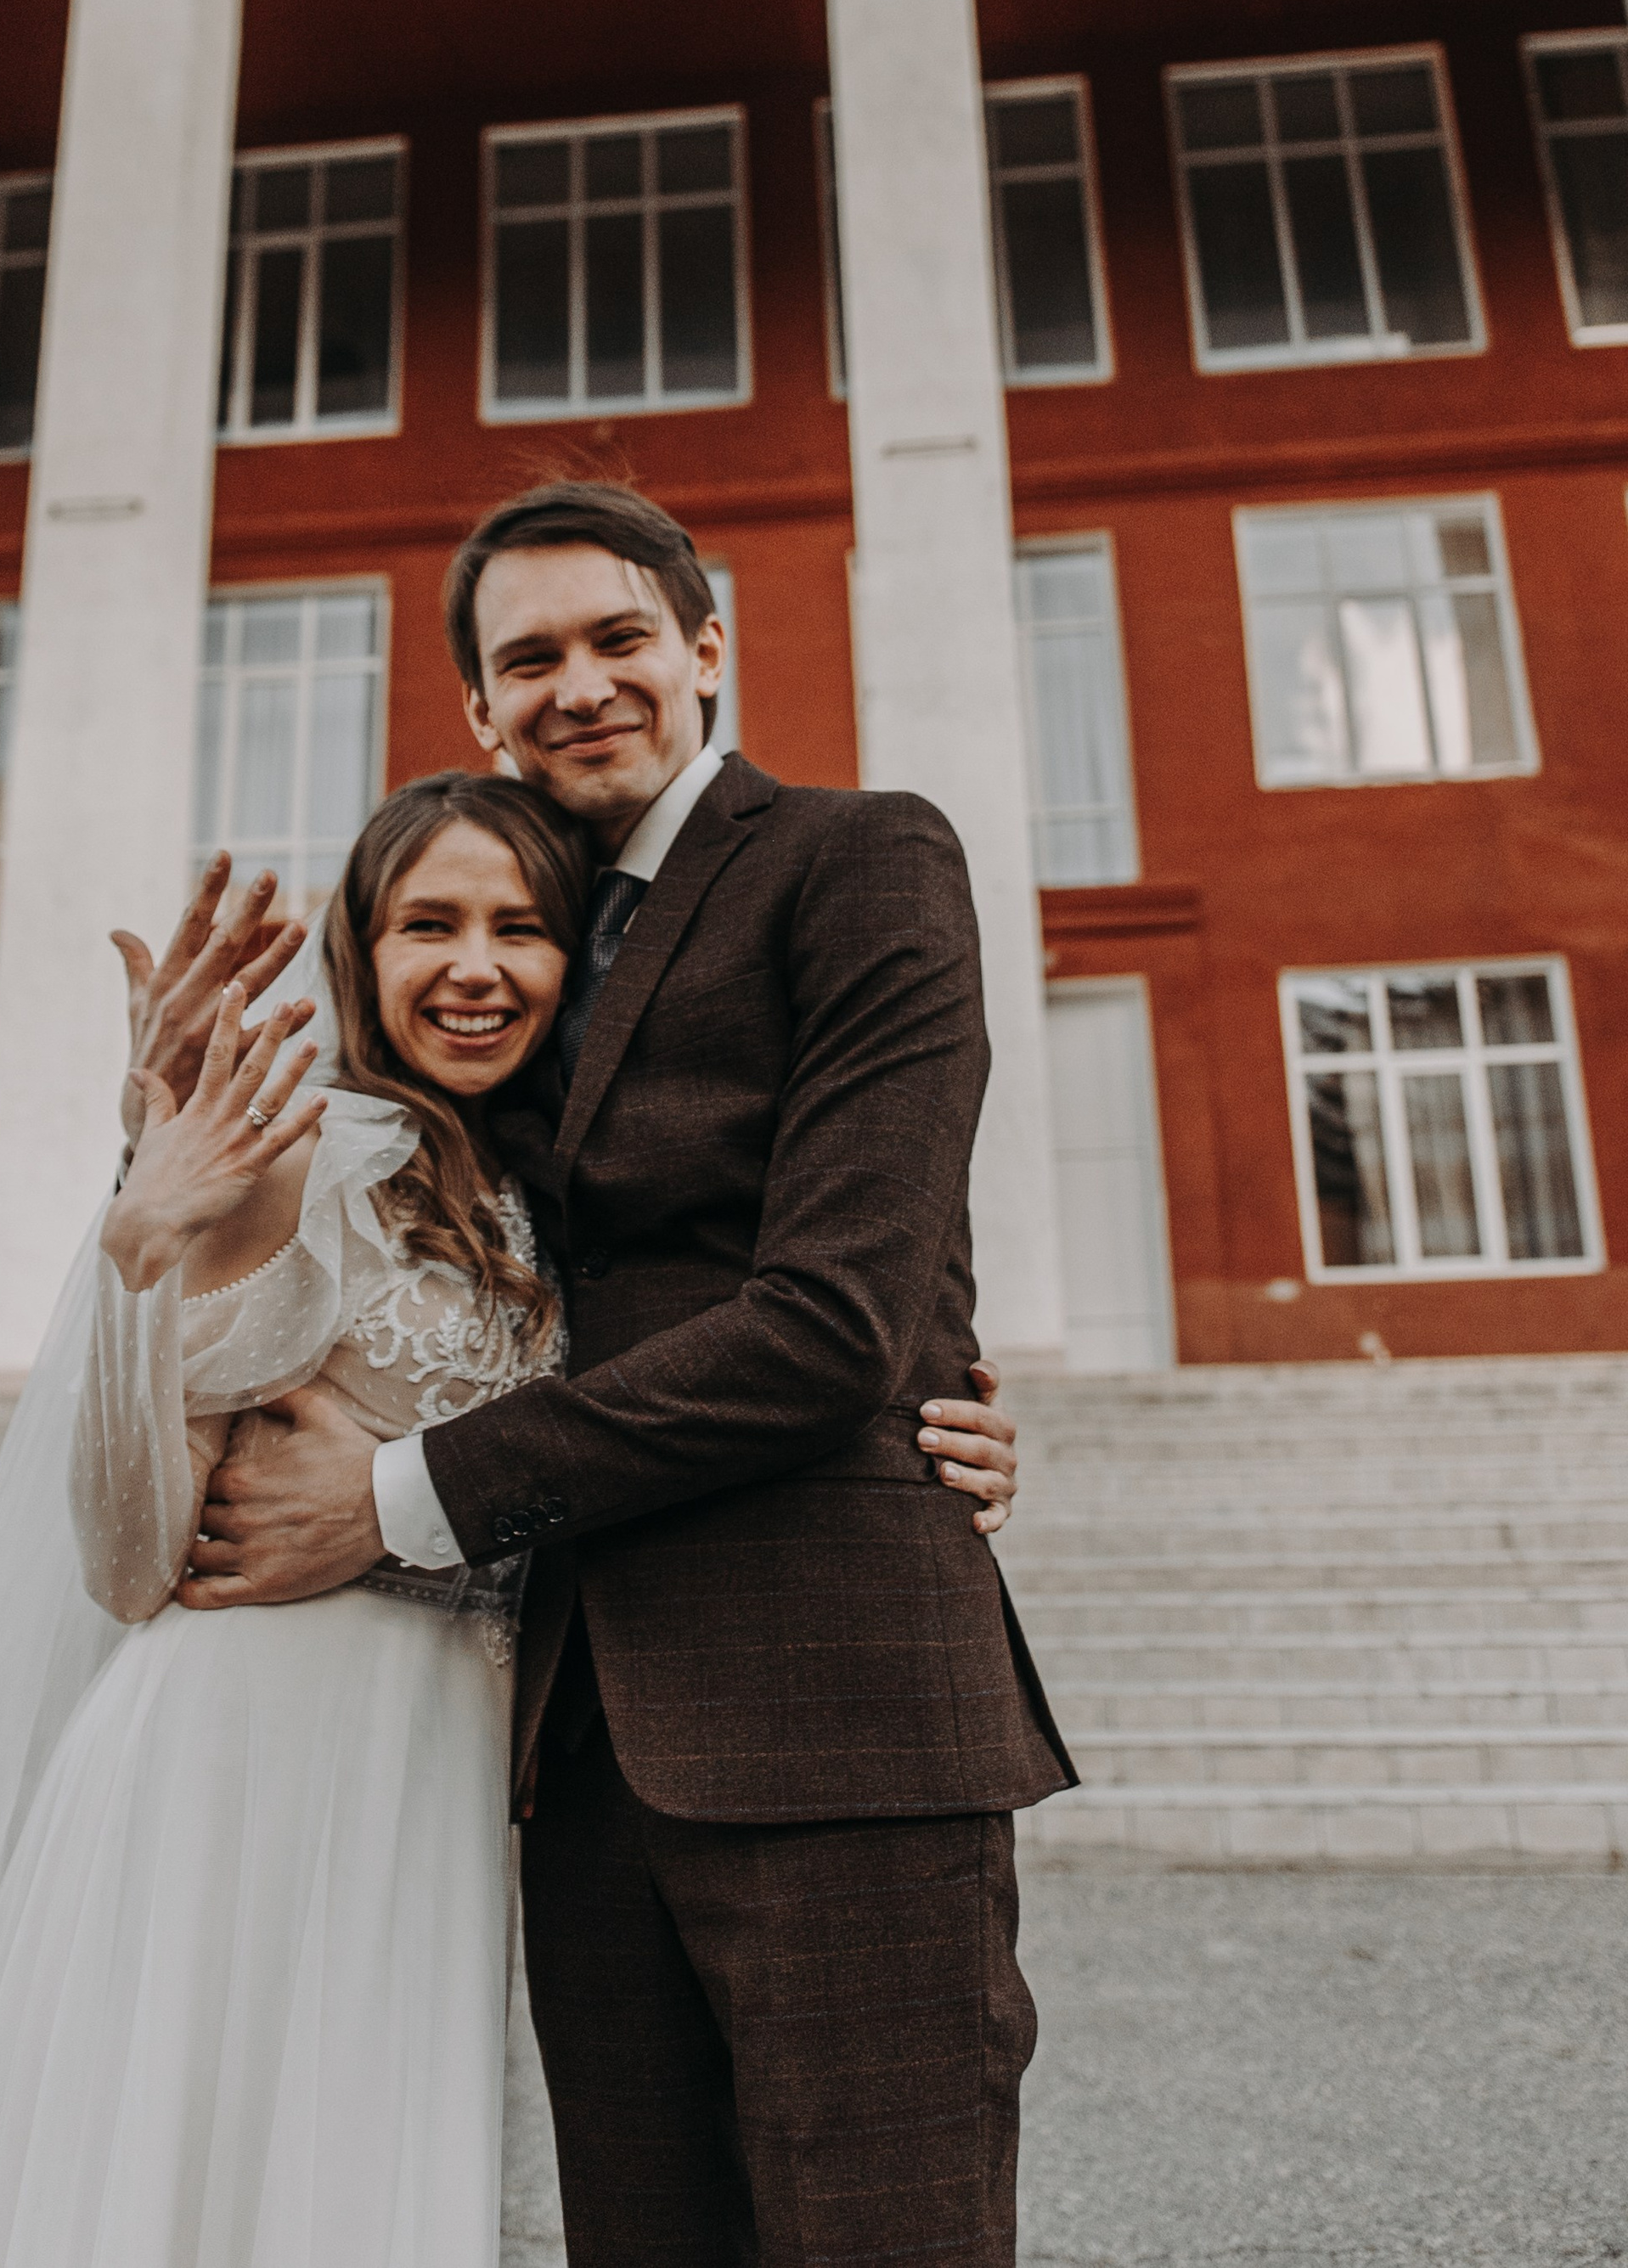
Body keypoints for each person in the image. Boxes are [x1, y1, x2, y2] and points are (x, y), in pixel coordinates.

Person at [0, 756, 1017, 2267]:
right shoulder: (301, 1155)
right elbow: (130, 1554)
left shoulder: (542, 1187)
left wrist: (928, 1414)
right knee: (194, 2180)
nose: (475, 968)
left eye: (520, 928)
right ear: (362, 950)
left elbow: (754, 1319)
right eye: (428, 926)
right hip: (251, 1753)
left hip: (447, 1764)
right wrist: (141, 1244)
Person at [166, 481, 1072, 2268]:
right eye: (529, 659)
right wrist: (168, 1135)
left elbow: (831, 1316)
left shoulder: (858, 857)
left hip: (828, 1700)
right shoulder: (511, 948)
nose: (577, 684)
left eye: (617, 638)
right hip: (576, 1735)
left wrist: (389, 1504)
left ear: (704, 652)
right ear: (477, 710)